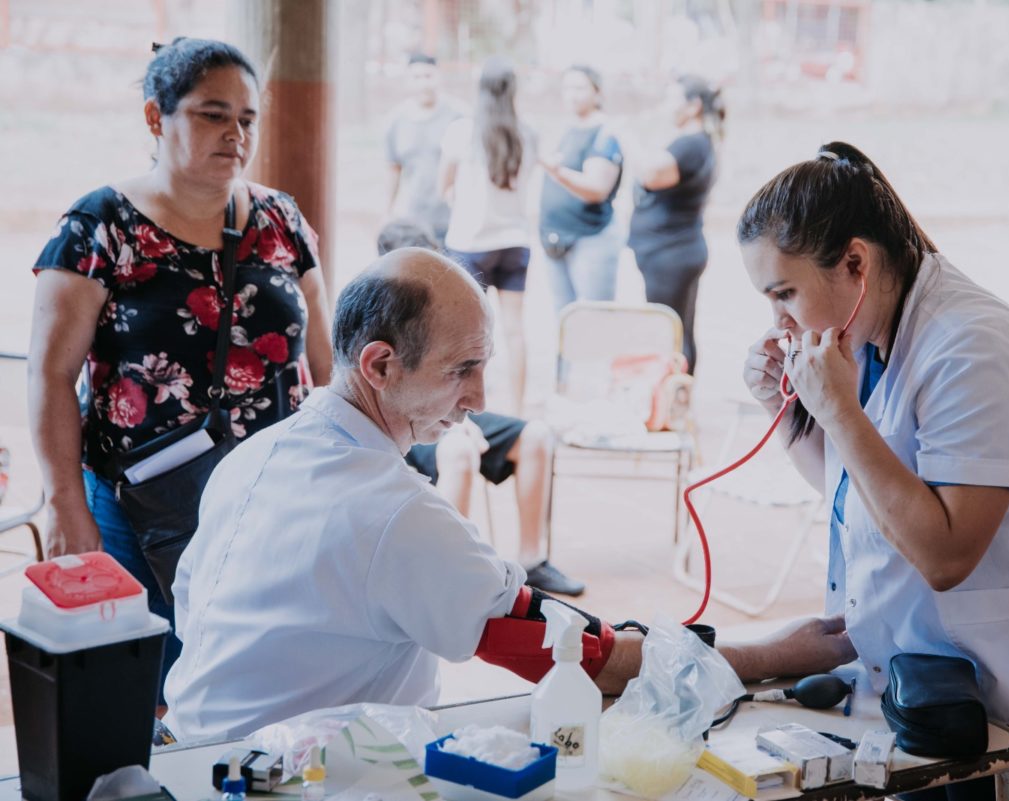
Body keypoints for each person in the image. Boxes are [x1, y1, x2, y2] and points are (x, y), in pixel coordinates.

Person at [163, 248, 856, 741]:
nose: (480, 398)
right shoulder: (392, 511)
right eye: (462, 369)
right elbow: (583, 658)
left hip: (196, 755)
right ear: (379, 364)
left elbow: (192, 608)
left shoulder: (251, 458)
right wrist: (772, 655)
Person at [738, 143, 1009, 800]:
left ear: (855, 262)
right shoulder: (879, 337)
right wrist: (794, 411)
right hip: (943, 689)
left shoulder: (972, 347)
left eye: (785, 294)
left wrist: (839, 412)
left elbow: (946, 553)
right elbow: (868, 499)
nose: (778, 322)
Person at [26, 37, 332, 698]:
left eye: (246, 119)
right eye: (211, 114)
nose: (234, 133)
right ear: (155, 118)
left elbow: (327, 366)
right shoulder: (99, 226)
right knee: (147, 692)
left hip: (271, 509)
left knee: (255, 691)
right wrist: (65, 506)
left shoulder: (282, 220)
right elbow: (49, 378)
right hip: (141, 508)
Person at [378, 220, 585, 595]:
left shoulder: (442, 306)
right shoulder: (380, 311)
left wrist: (463, 417)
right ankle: (449, 570)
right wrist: (455, 424)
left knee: (535, 436)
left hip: (453, 412)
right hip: (409, 421)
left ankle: (531, 559)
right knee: (459, 452)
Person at [440, 56, 537, 413]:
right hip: (515, 241)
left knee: (468, 332)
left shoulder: (462, 132)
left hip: (470, 243)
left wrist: (462, 206)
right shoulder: (528, 134)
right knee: (514, 328)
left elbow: (444, 186)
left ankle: (467, 407)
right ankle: (519, 409)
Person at [627, 74, 724, 374]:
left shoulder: (691, 144)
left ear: (693, 106)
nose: (666, 107)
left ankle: (672, 404)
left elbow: (650, 174)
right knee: (678, 331)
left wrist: (628, 142)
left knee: (669, 333)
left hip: (670, 254)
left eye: (672, 99)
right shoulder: (698, 143)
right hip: (673, 251)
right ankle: (676, 401)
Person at [538, 65, 624, 313]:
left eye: (579, 87)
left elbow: (597, 188)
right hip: (554, 236)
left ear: (597, 93)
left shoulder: (605, 132)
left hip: (591, 236)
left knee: (593, 317)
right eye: (567, 88)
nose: (572, 94)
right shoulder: (567, 128)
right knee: (563, 316)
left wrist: (555, 170)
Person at [383, 53, 462, 246]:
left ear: (439, 77)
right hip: (412, 222)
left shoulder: (459, 116)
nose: (423, 83)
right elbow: (394, 169)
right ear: (408, 81)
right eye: (416, 77)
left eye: (428, 76)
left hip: (451, 220)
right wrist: (387, 212)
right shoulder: (395, 120)